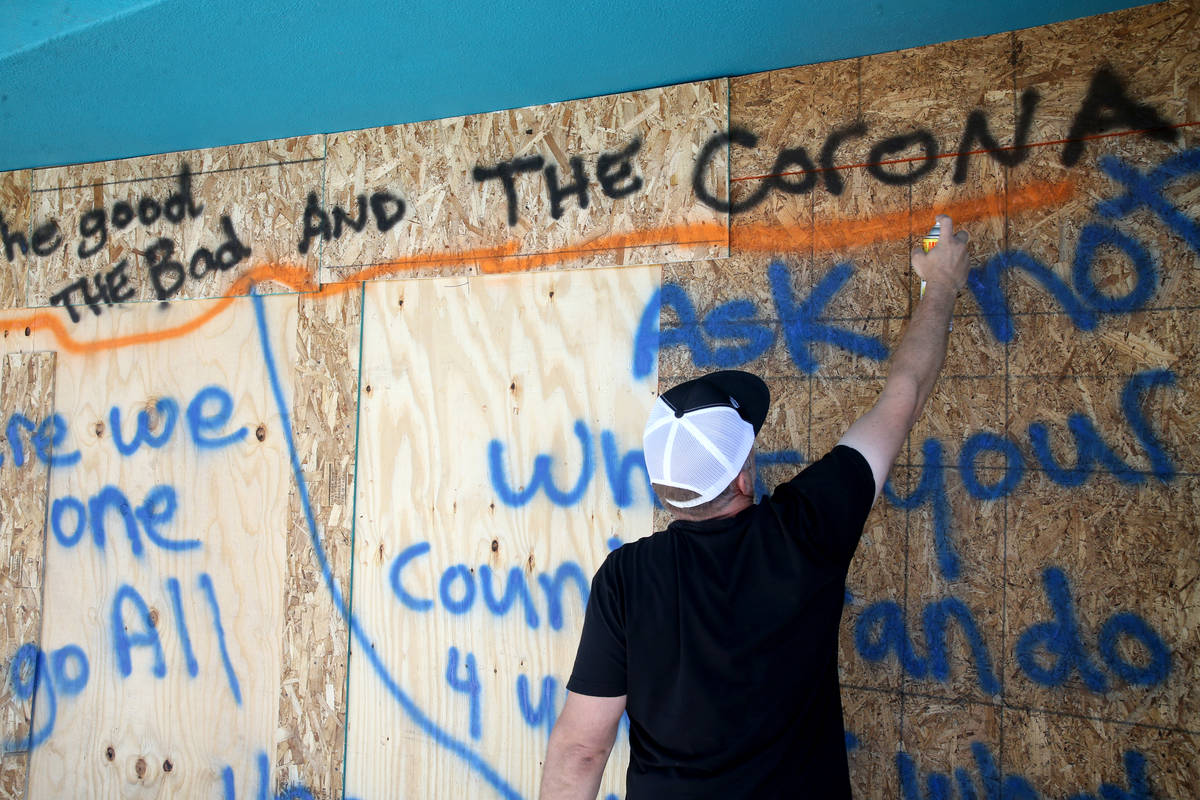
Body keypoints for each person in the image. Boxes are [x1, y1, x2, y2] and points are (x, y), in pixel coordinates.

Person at [538, 215, 971, 799]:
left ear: (664, 489)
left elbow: (581, 750)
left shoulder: (624, 580)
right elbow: (905, 393)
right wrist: (941, 283)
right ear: (743, 475)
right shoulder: (804, 529)